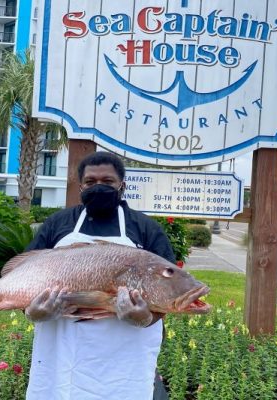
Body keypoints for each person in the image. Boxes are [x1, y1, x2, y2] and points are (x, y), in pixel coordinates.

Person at [25, 151, 175, 400]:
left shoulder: (146, 229)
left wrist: (144, 317)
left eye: (107, 182)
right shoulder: (58, 224)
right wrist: (32, 312)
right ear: (81, 186)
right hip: (62, 347)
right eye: (91, 182)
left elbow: (167, 292)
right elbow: (28, 276)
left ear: (122, 185)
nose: (99, 187)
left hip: (124, 353)